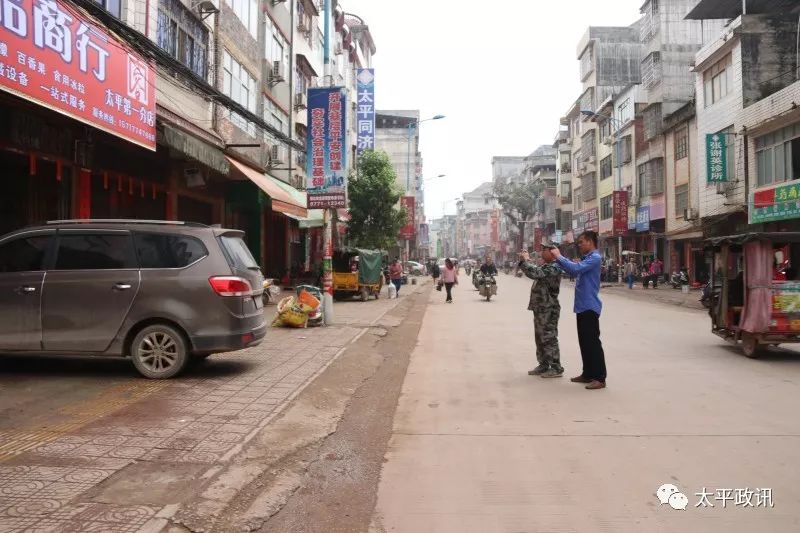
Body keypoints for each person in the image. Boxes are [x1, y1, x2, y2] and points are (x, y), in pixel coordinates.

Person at [551, 231, 607, 390]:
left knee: (593, 343)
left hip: (590, 306)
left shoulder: (595, 258)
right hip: (582, 306)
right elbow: (572, 269)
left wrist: (559, 256)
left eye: (581, 242)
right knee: (585, 342)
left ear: (590, 242)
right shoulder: (587, 258)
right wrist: (558, 259)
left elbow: (575, 270)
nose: (579, 245)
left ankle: (600, 377)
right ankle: (588, 373)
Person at [519, 246, 564, 379]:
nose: (541, 252)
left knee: (549, 337)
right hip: (540, 307)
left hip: (549, 308)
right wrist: (523, 262)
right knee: (540, 337)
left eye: (544, 250)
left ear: (552, 252)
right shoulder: (547, 266)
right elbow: (534, 271)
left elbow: (535, 273)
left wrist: (525, 261)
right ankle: (544, 364)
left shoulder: (555, 266)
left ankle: (556, 367)